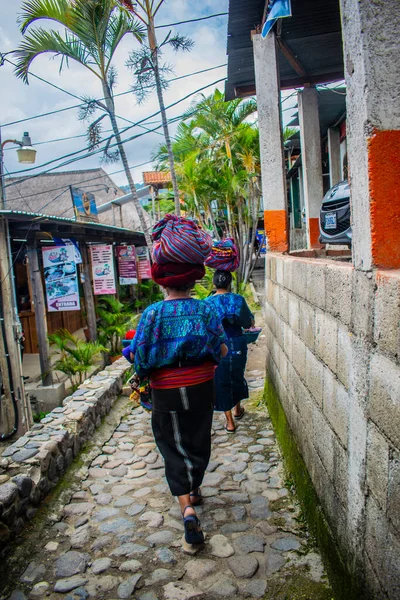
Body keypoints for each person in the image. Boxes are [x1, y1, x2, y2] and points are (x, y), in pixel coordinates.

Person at [130, 261, 228, 545]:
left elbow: (141, 358)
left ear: (163, 285)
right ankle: (195, 487)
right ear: (192, 283)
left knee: (172, 445)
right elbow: (220, 349)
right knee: (198, 438)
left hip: (167, 391)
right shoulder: (205, 309)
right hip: (201, 386)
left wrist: (141, 375)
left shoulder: (152, 314)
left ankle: (187, 510)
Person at [206, 270, 254, 433]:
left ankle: (230, 422)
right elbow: (248, 323)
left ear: (214, 284)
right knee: (237, 374)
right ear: (230, 284)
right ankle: (238, 409)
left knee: (221, 380)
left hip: (218, 345)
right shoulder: (238, 300)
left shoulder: (207, 303)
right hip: (237, 343)